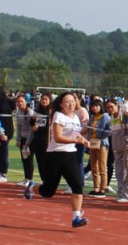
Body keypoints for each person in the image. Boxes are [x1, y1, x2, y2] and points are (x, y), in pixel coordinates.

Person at [23, 91, 90, 228]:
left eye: (73, 101)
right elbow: (58, 137)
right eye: (67, 102)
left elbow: (76, 135)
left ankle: (76, 217)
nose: (71, 104)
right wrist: (76, 140)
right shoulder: (58, 116)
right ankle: (31, 187)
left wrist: (83, 140)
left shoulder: (76, 118)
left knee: (77, 185)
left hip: (70, 155)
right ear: (61, 104)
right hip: (55, 156)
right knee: (48, 191)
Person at [105, 99, 128, 203]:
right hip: (117, 146)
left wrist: (127, 138)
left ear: (117, 105)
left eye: (111, 107)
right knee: (119, 170)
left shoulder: (124, 115)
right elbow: (112, 132)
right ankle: (121, 193)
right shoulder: (111, 117)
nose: (110, 109)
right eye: (108, 108)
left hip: (127, 145)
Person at [85, 98, 110, 197]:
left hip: (102, 143)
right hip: (92, 142)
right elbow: (88, 129)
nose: (94, 108)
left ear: (101, 107)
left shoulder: (105, 116)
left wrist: (102, 136)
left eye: (96, 106)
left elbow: (109, 129)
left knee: (102, 167)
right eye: (92, 106)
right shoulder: (92, 117)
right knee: (94, 166)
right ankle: (96, 188)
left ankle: (103, 189)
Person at [0, 86, 15, 182]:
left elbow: (5, 122)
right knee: (0, 152)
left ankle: (3, 173)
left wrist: (5, 134)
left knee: (3, 153)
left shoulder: (3, 105)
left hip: (5, 132)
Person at [14, 94, 37, 186]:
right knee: (24, 159)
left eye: (22, 101)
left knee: (29, 159)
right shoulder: (18, 112)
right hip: (23, 138)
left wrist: (28, 141)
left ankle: (29, 179)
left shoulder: (30, 113)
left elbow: (31, 129)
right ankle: (26, 178)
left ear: (26, 102)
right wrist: (18, 139)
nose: (20, 103)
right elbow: (19, 127)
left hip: (30, 139)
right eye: (18, 102)